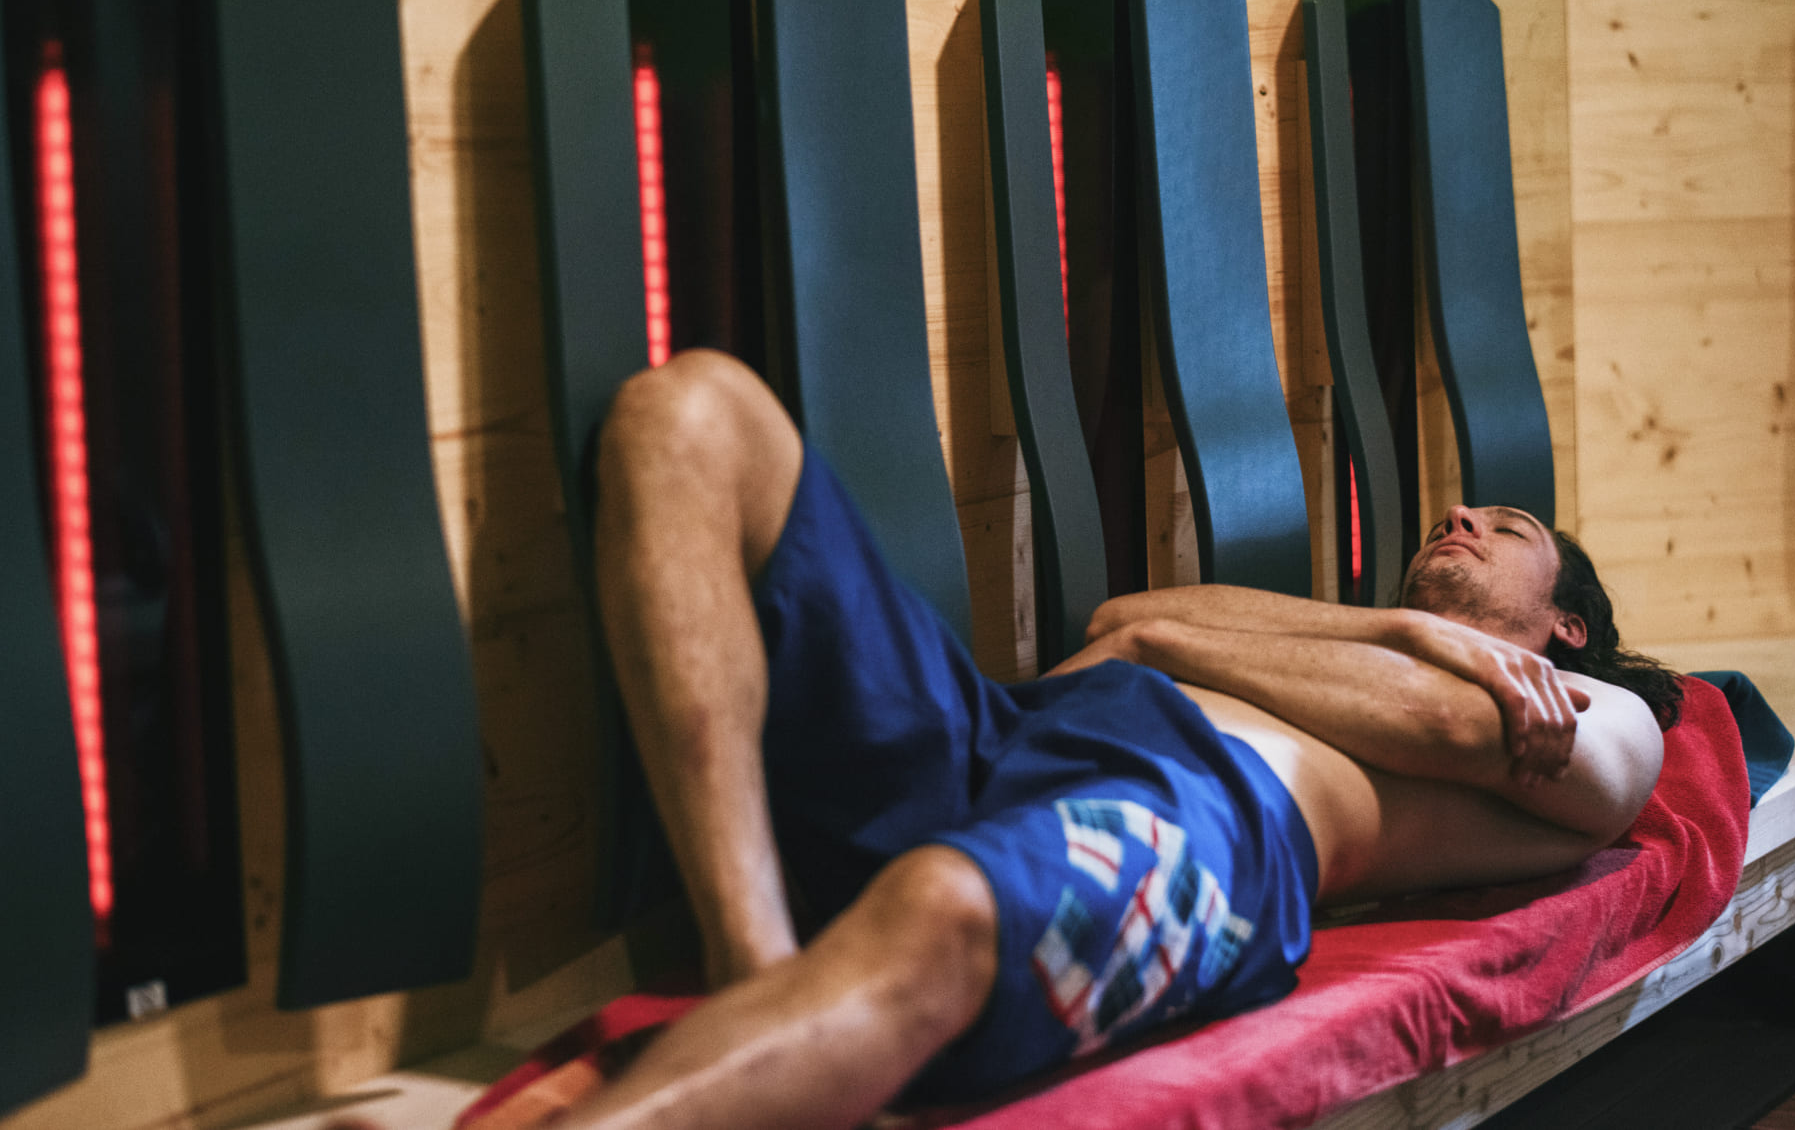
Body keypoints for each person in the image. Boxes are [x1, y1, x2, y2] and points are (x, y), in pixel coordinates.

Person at [551, 349, 1675, 1130]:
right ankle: (759, 976)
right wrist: (1387, 623)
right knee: (690, 412)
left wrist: (1168, 641)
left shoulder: (1606, 715)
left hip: (1216, 810)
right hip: (1009, 733)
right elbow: (1115, 626)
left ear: (1567, 625)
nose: (1462, 517)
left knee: (943, 907)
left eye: (1505, 526)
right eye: (1460, 513)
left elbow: (1438, 722)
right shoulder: (1369, 636)